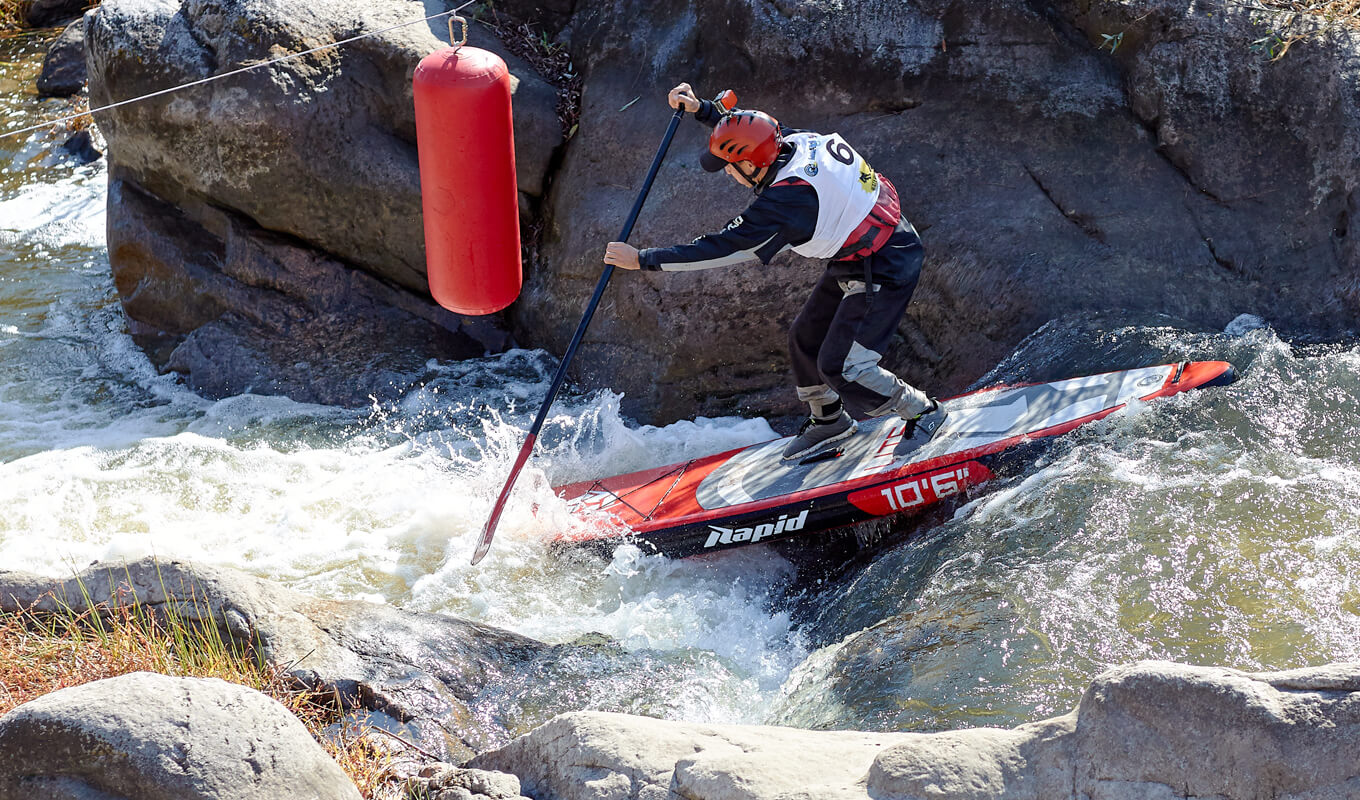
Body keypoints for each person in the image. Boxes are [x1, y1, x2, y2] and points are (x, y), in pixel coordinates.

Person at [603, 83, 945, 461]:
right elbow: (756, 129)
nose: (727, 175)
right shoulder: (793, 141)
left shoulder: (787, 200)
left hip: (887, 263)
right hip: (858, 253)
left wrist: (643, 259)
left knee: (843, 367)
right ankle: (830, 421)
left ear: (750, 165)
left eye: (729, 168)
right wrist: (701, 109)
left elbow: (721, 247)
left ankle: (925, 412)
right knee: (804, 339)